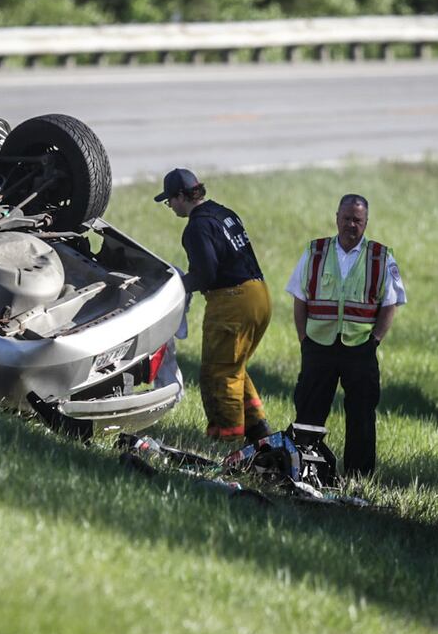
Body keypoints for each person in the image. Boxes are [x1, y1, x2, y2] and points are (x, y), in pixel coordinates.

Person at [286, 194, 405, 479]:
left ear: (366, 223)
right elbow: (299, 298)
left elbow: (391, 303)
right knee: (309, 410)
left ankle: (358, 475)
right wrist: (304, 339)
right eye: (347, 218)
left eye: (358, 220)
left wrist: (374, 340)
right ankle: (306, 469)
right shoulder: (315, 251)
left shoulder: (381, 256)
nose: (352, 225)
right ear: (336, 217)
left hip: (360, 349)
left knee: (361, 415)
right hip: (319, 346)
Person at [156, 168, 274, 441]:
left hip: (232, 303)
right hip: (259, 296)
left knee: (219, 373)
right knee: (234, 367)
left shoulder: (196, 227)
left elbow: (206, 274)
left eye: (170, 200)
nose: (170, 206)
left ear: (182, 196)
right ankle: (258, 432)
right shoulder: (224, 213)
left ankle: (226, 440)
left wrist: (175, 288)